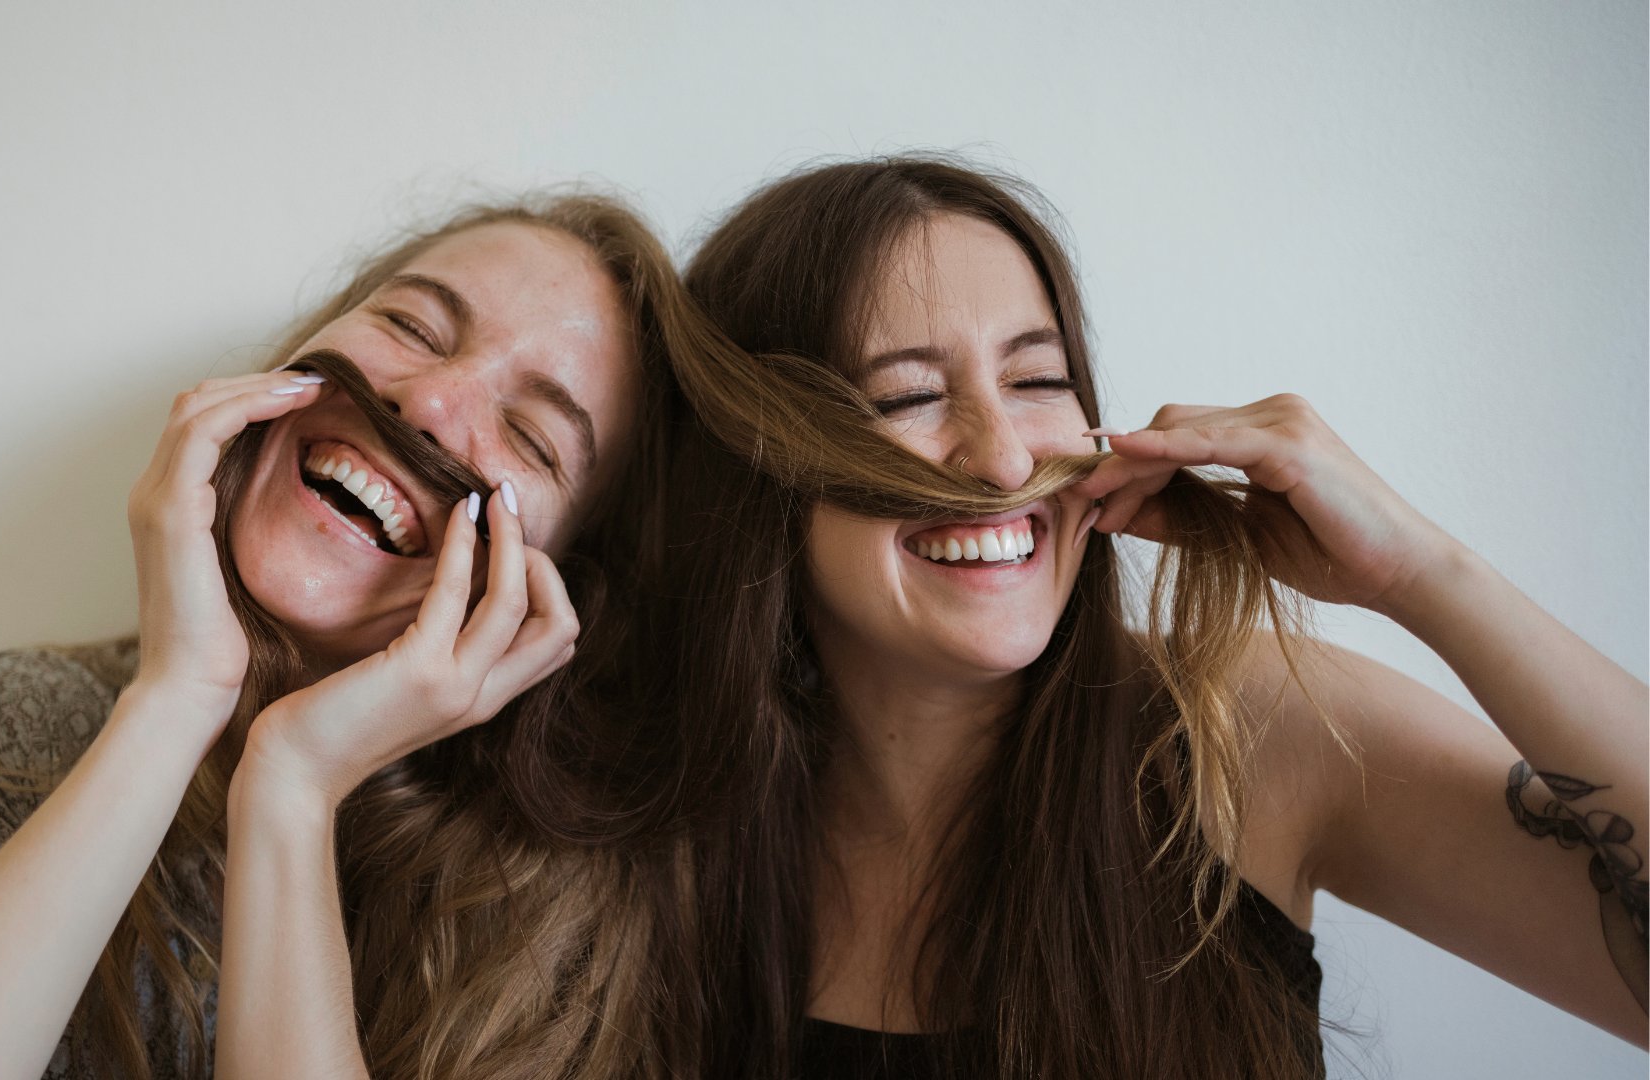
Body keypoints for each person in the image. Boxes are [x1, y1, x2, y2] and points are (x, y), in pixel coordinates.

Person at [653, 157, 1648, 1077]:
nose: (1003, 460)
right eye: (907, 395)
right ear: (756, 462)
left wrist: (1424, 574)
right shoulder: (653, 847)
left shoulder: (1249, 731)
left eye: (1038, 379)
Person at [0, 193, 714, 1080]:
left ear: (553, 603)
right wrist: (180, 698)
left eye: (534, 437)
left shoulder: (558, 929)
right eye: (412, 325)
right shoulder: (28, 722)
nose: (429, 404)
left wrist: (292, 787)